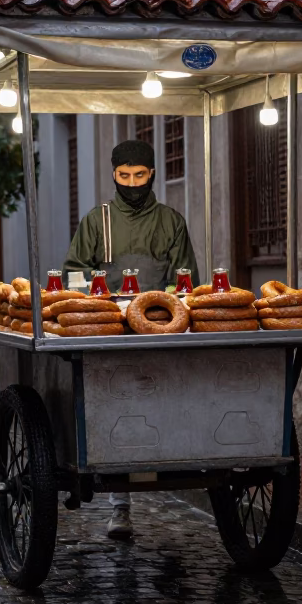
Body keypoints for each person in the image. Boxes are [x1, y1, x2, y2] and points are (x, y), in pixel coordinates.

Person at [64, 138, 199, 540]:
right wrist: (102, 294)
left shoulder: (171, 221)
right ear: (113, 175)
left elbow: (186, 279)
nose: (132, 182)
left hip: (164, 329)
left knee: (164, 400)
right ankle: (119, 506)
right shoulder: (96, 221)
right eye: (124, 176)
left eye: (139, 175)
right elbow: (73, 273)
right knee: (116, 408)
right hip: (109, 331)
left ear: (153, 173)